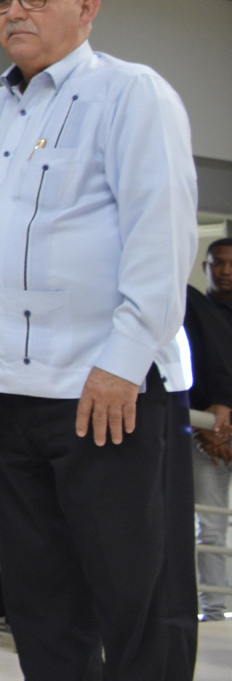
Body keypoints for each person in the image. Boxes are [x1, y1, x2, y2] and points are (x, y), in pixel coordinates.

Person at [0, 0, 198, 680]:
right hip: (8, 391)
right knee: (41, 596)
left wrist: (123, 362)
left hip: (105, 389)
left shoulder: (130, 94)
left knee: (135, 591)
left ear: (87, 7)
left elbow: (162, 236)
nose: (14, 11)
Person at [186, 239, 232, 621]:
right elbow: (187, 371)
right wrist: (209, 428)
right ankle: (215, 610)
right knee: (211, 524)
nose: (226, 271)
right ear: (206, 266)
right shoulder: (190, 310)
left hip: (218, 428)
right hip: (204, 432)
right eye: (218, 263)